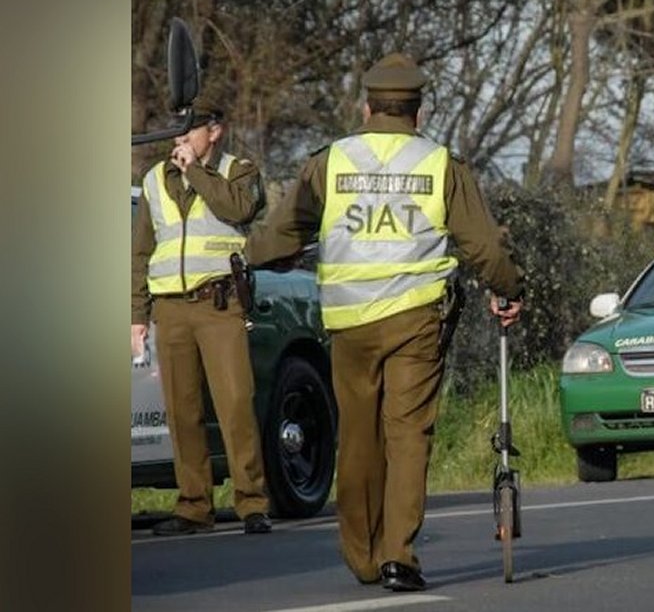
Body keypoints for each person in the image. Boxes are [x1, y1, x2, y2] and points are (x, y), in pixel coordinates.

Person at [244, 52, 524, 591]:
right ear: (419, 113)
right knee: (407, 434)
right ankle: (399, 556)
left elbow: (281, 233)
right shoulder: (441, 165)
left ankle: (363, 556)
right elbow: (485, 248)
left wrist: (245, 255)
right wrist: (510, 288)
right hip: (416, 319)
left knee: (358, 437)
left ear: (366, 108)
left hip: (349, 322)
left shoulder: (330, 162)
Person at [131, 99, 273, 536]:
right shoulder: (154, 179)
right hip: (170, 308)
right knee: (182, 410)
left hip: (219, 303)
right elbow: (141, 252)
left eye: (190, 130)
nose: (181, 138)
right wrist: (137, 315)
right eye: (177, 130)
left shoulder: (238, 171)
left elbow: (238, 210)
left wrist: (195, 171)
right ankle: (194, 505)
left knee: (236, 404)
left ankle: (252, 502)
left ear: (214, 132)